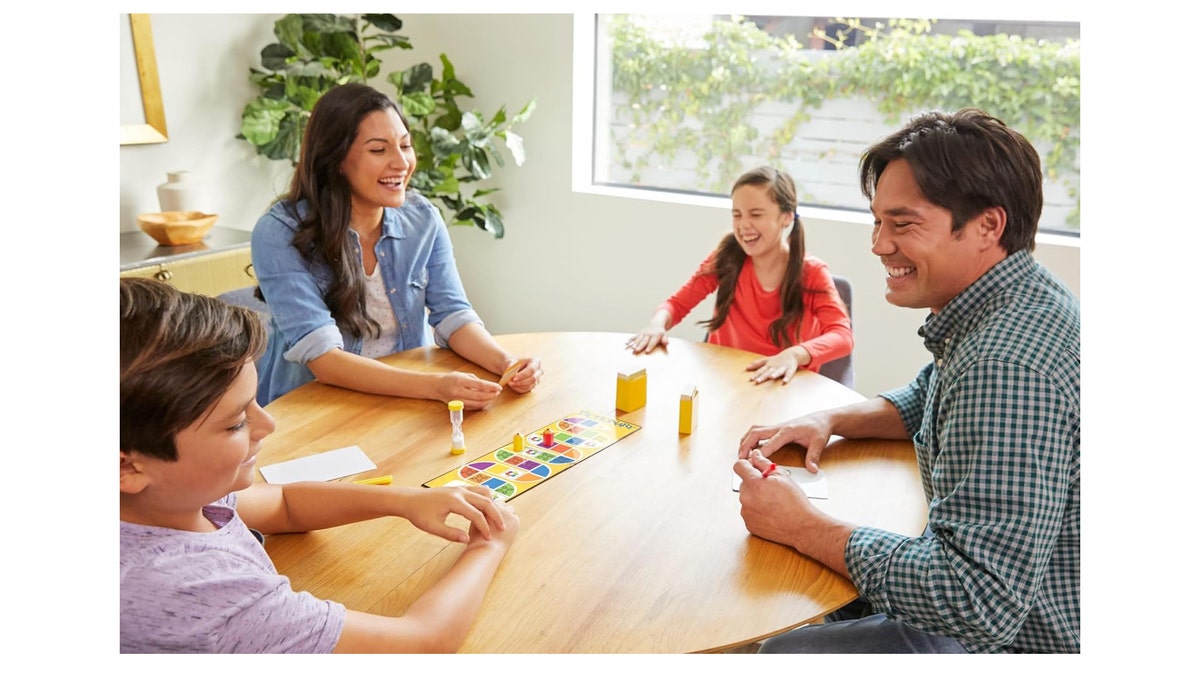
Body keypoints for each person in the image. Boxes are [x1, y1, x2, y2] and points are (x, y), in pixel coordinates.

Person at [734, 109, 1079, 653]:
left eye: (903, 223)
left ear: (989, 225)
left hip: (1011, 642)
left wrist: (803, 526)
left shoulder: (1005, 365)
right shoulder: (1014, 299)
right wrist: (826, 418)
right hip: (1008, 601)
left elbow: (977, 600)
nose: (878, 245)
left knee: (775, 650)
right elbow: (927, 396)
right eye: (877, 221)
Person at [120, 277, 519, 653]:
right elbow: (420, 643)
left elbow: (283, 504)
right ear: (128, 468)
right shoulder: (202, 594)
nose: (268, 423)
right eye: (236, 422)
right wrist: (489, 545)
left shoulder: (171, 497)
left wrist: (404, 501)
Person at [251, 82, 542, 408]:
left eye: (405, 146)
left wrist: (507, 364)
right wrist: (437, 387)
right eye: (379, 150)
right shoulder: (278, 233)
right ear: (335, 160)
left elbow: (453, 315)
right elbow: (323, 357)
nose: (401, 163)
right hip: (315, 410)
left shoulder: (423, 219)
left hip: (405, 398)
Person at [626, 166, 852, 385]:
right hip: (725, 381)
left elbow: (842, 336)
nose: (744, 225)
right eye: (737, 214)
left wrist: (794, 354)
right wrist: (657, 324)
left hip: (779, 386)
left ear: (787, 217)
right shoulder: (727, 257)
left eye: (756, 214)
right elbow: (677, 304)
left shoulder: (811, 272)